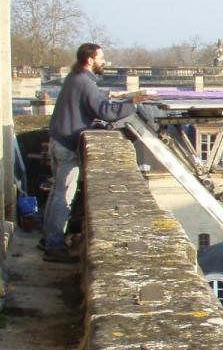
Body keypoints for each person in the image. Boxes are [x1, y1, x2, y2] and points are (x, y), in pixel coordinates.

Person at [42, 43, 146, 263]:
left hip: (58, 139)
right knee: (64, 197)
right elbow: (106, 112)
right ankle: (53, 245)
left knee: (56, 193)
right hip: (67, 145)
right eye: (101, 57)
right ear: (90, 60)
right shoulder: (84, 82)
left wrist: (109, 93)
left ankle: (48, 239)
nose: (104, 61)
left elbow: (90, 98)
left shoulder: (76, 77)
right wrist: (133, 103)